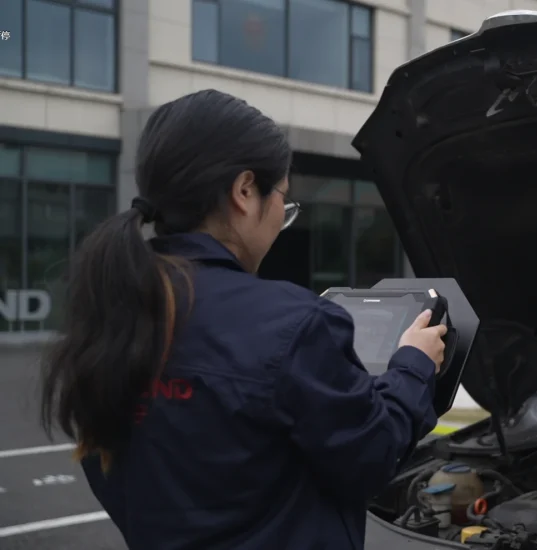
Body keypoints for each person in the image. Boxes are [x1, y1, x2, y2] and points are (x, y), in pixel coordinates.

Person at [38, 89, 447, 550]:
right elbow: (373, 455)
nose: (279, 221)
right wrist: (414, 365)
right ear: (245, 190)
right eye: (283, 201)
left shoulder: (111, 314)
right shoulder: (293, 323)